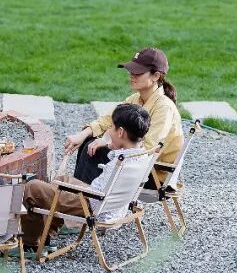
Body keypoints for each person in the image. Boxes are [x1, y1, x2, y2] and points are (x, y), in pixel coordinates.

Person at [22, 103, 151, 250]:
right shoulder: (142, 155)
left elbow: (95, 200)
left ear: (120, 132)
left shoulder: (119, 163)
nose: (109, 132)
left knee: (32, 188)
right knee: (62, 180)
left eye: (111, 127)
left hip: (93, 206)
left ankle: (30, 244)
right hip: (113, 206)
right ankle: (46, 235)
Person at [64, 47, 183, 185]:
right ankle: (80, 193)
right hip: (134, 163)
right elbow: (108, 120)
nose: (132, 75)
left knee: (95, 150)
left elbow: (148, 148)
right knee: (89, 142)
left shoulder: (164, 107)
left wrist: (109, 144)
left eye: (138, 72)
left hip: (153, 173)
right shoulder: (135, 98)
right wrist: (82, 134)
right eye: (131, 70)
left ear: (156, 76)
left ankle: (81, 195)